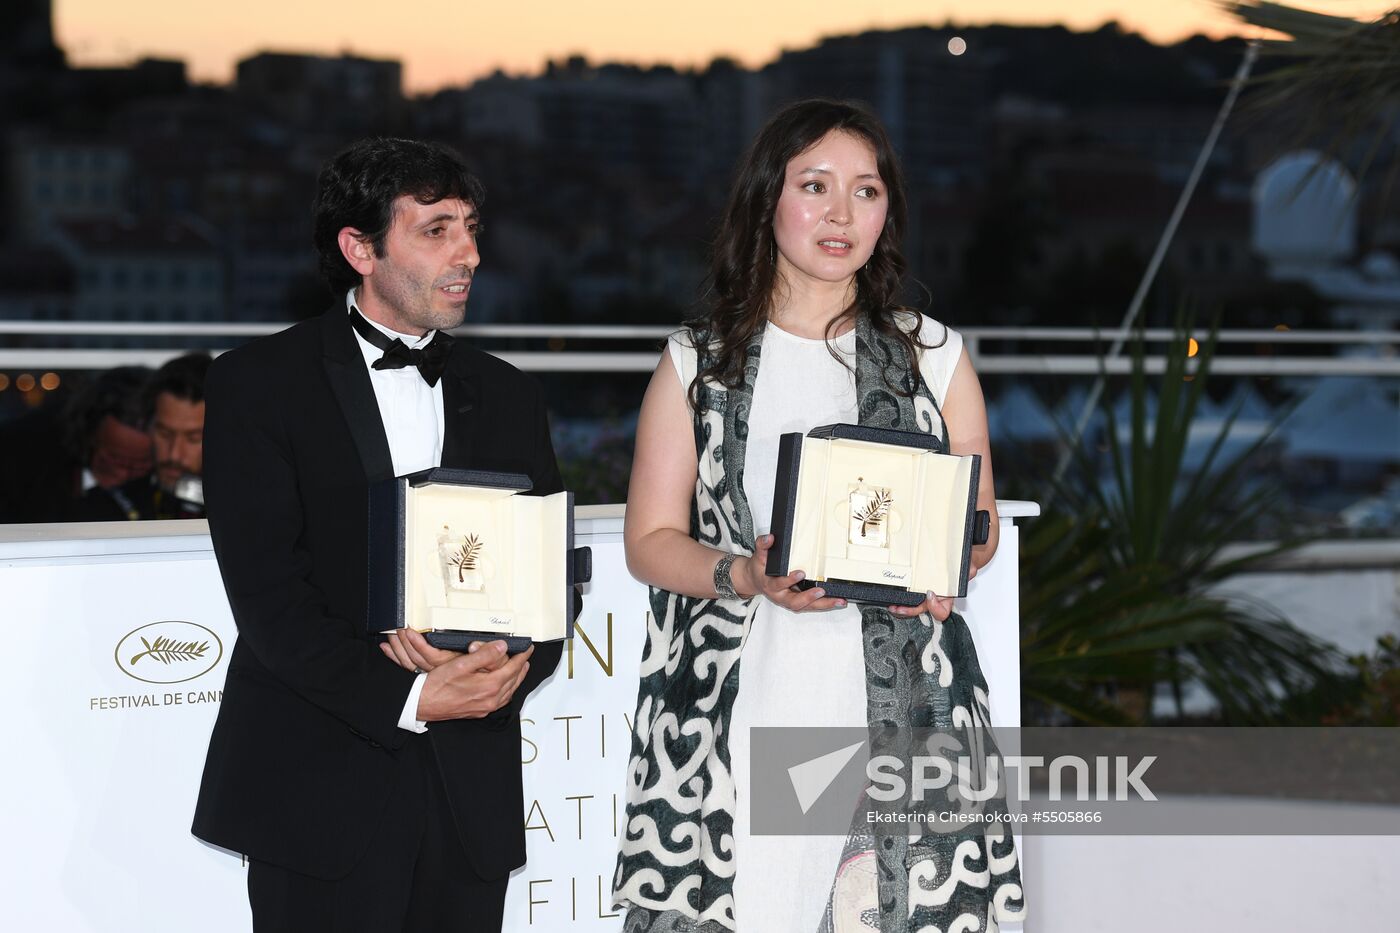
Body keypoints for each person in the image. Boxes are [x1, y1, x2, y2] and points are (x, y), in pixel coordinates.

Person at [613, 100, 1025, 932]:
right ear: (769, 201)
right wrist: (745, 575)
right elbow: (650, 540)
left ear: (887, 213)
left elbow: (976, 516)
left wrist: (950, 559)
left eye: (866, 191)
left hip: (903, 697)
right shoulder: (699, 359)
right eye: (816, 185)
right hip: (746, 693)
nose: (842, 213)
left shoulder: (932, 353)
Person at [191, 137, 564, 933]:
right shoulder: (258, 385)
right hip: (316, 784)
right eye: (435, 229)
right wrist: (412, 693)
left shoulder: (509, 396)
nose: (466, 252)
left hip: (469, 793)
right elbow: (268, 598)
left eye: (470, 227)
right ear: (359, 248)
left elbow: (550, 581)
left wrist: (500, 673)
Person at [75, 352, 212, 521]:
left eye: (193, 438)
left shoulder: (248, 503)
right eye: (164, 434)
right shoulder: (101, 508)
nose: (174, 454)